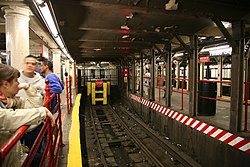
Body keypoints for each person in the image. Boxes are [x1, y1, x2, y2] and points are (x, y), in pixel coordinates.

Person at [0, 63, 55, 167]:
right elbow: (6, 118)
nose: (18, 83)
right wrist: (42, 112)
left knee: (37, 157)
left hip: (13, 156)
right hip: (7, 159)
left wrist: (27, 87)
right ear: (6, 84)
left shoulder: (8, 101)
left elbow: (35, 104)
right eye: (16, 81)